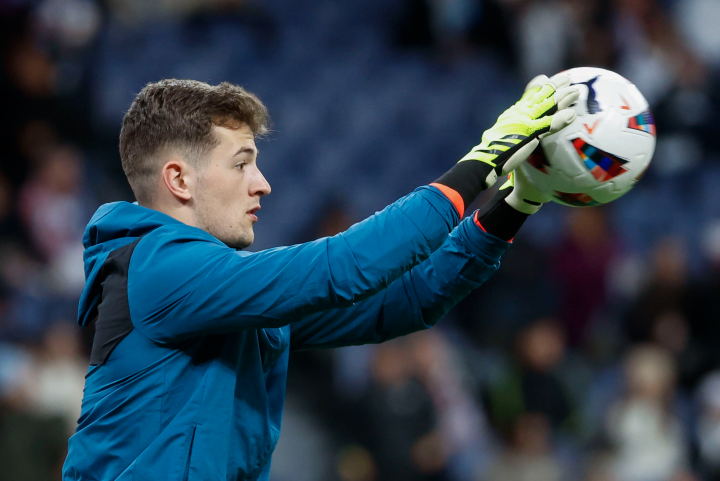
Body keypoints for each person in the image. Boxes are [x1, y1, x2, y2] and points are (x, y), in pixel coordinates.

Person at [62, 76, 578, 480]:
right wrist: (486, 158)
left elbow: (409, 298)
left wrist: (516, 201)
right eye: (242, 164)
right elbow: (347, 265)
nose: (262, 184)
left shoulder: (222, 295)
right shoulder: (157, 268)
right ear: (179, 179)